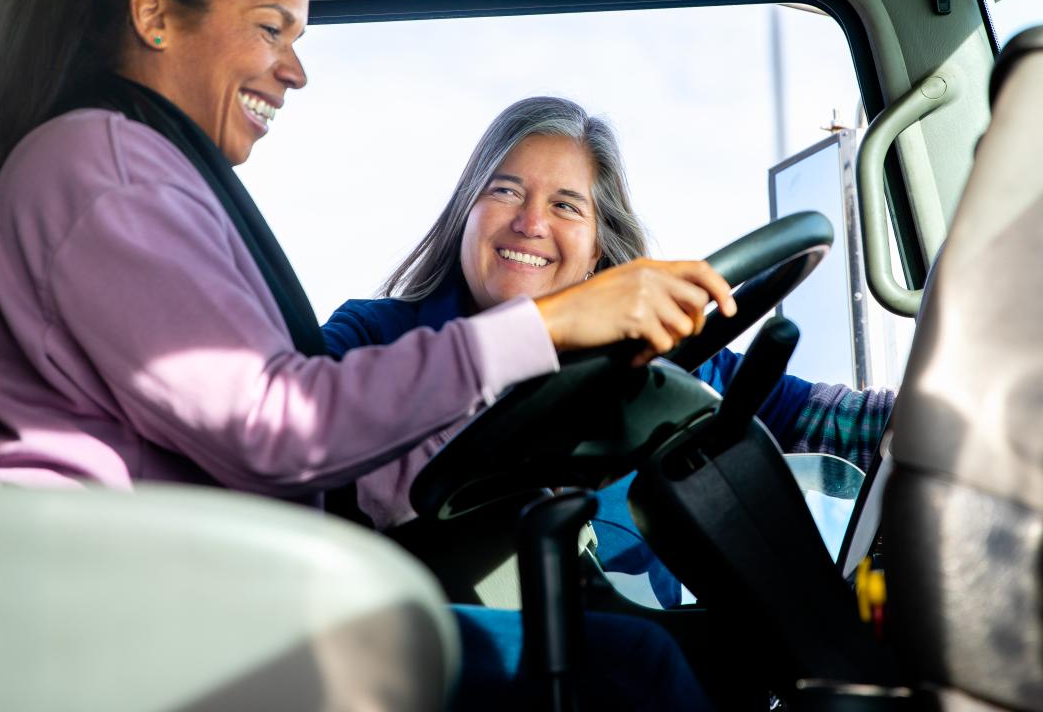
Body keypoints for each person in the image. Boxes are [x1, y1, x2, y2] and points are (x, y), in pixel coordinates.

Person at [0, 0, 732, 710]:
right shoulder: (102, 175)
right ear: (154, 17)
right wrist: (546, 325)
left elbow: (264, 423)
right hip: (160, 614)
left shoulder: (141, 168)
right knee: (636, 671)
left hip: (207, 582)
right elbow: (274, 424)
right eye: (271, 29)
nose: (295, 70)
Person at [322, 96, 897, 603]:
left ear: (598, 251)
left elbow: (835, 424)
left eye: (566, 206)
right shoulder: (374, 336)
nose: (529, 222)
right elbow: (295, 422)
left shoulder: (656, 355)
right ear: (465, 214)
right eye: (505, 191)